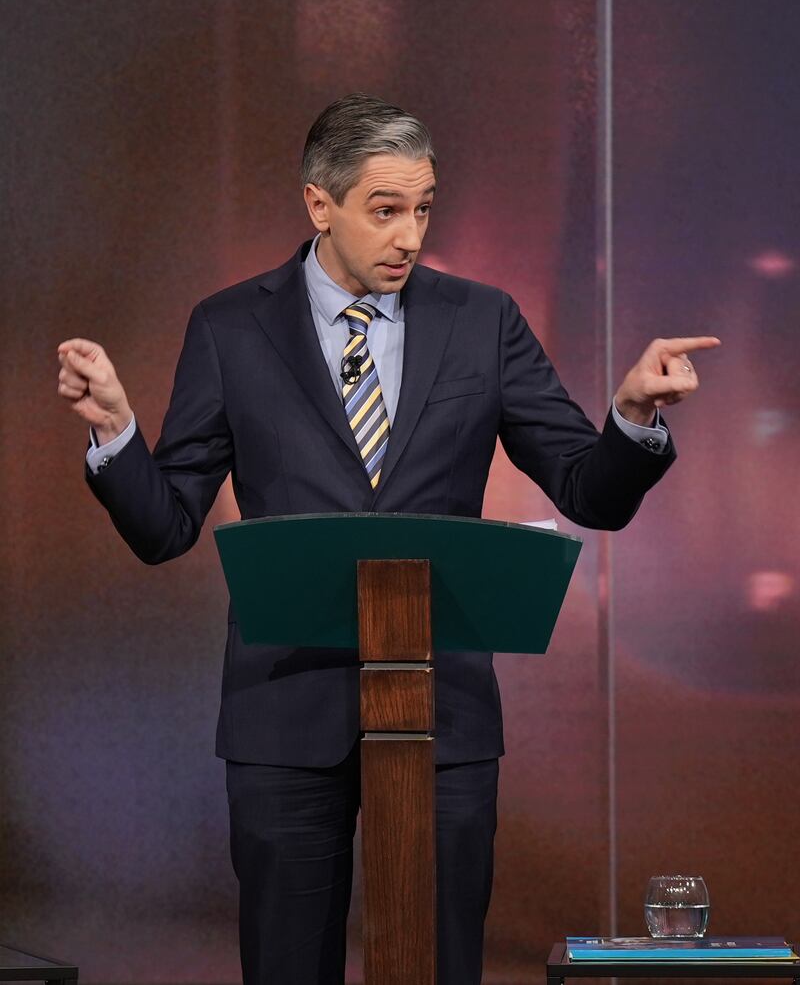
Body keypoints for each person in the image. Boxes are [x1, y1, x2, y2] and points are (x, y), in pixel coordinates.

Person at [57, 93, 719, 985]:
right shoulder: (230, 327)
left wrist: (631, 415)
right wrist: (116, 434)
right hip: (282, 715)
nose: (411, 236)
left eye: (423, 209)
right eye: (386, 211)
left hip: (441, 711)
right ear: (318, 205)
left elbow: (585, 490)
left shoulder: (483, 320)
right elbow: (165, 525)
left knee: (440, 965)